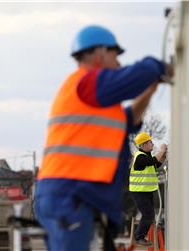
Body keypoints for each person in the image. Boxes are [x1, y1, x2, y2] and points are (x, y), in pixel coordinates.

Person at [34, 25, 173, 251]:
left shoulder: (93, 97)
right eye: (115, 55)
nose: (118, 63)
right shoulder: (87, 82)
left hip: (71, 195)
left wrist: (149, 91)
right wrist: (161, 68)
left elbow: (129, 119)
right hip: (69, 195)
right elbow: (140, 73)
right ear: (99, 53)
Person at [129, 132, 167, 247]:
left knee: (149, 214)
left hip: (146, 191)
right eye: (150, 142)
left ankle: (140, 236)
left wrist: (163, 156)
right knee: (148, 214)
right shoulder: (140, 156)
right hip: (139, 192)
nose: (152, 143)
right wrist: (161, 150)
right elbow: (152, 162)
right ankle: (139, 237)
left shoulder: (147, 156)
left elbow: (155, 165)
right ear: (144, 144)